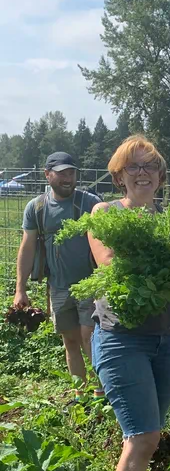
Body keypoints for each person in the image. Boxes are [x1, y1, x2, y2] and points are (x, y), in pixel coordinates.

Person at [87, 136, 170, 471]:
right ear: (119, 176)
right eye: (133, 166)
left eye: (150, 165)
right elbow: (112, 266)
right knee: (143, 437)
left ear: (161, 176)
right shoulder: (104, 215)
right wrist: (161, 266)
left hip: (166, 339)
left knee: (146, 436)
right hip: (121, 337)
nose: (142, 172)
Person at [15, 152, 102, 396]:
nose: (68, 178)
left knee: (90, 337)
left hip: (91, 284)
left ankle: (101, 394)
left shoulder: (90, 203)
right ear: (47, 174)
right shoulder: (37, 207)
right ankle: (80, 394)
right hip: (59, 286)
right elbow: (27, 246)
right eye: (62, 172)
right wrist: (20, 288)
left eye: (71, 172)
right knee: (70, 340)